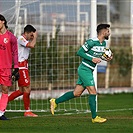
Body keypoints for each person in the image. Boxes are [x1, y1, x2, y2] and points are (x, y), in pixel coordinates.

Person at [50, 23, 113, 123]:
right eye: (108, 31)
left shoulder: (104, 44)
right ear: (103, 32)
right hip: (84, 69)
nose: (109, 33)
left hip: (89, 70)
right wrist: (92, 59)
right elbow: (79, 52)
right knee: (93, 91)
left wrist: (106, 57)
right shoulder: (91, 42)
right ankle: (94, 117)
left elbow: (97, 55)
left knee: (77, 93)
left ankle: (55, 101)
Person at [8, 25, 38, 117]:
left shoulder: (25, 40)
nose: (32, 37)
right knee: (27, 88)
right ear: (27, 33)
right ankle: (27, 111)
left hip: (24, 66)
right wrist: (35, 37)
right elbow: (32, 45)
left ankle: (3, 103)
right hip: (21, 66)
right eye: (31, 35)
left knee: (21, 90)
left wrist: (33, 37)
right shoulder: (21, 39)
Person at [0, 14, 19, 120]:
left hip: (6, 67)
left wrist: (16, 67)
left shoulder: (11, 37)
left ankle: (1, 113)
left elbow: (15, 53)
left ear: (2, 21)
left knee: (5, 89)